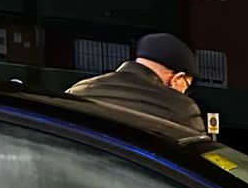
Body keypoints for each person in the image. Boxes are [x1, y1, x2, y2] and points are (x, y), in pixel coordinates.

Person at [65, 33, 205, 133]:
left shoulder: (80, 89)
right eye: (187, 84)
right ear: (178, 78)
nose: (185, 92)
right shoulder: (180, 107)